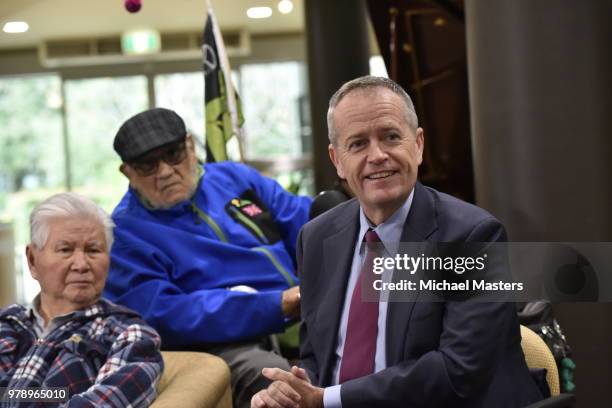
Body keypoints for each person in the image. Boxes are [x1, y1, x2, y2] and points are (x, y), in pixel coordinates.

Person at [252, 76, 543, 407]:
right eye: (358, 144)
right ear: (337, 160)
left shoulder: (471, 237)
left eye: (391, 137)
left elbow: (457, 372)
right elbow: (318, 359)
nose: (377, 155)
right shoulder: (317, 238)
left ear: (418, 145)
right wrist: (293, 391)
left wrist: (327, 399)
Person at [104, 108, 311, 408]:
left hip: (302, 305)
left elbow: (302, 220)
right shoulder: (125, 233)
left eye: (173, 154)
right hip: (223, 340)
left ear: (190, 146)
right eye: (148, 165)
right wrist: (275, 304)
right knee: (277, 384)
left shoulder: (234, 178)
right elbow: (166, 314)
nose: (164, 171)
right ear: (128, 173)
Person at [0, 192, 162, 407]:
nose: (82, 264)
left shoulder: (128, 335)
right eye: (65, 250)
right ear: (32, 260)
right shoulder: (8, 324)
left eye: (93, 250)